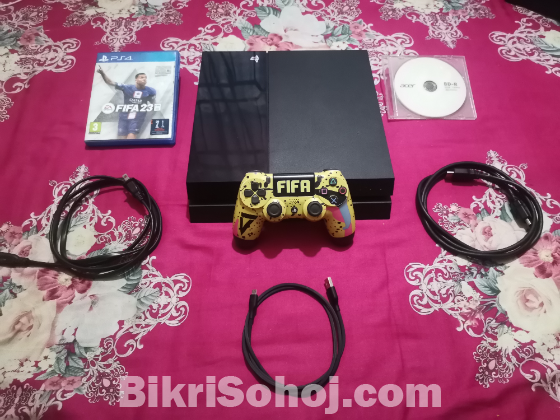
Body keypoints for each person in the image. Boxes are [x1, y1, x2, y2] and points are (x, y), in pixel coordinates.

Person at [97, 67, 156, 139]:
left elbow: (154, 104)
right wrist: (102, 73)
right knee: (122, 140)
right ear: (136, 79)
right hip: (124, 116)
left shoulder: (150, 91)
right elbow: (111, 82)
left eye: (145, 78)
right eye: (142, 77)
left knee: (130, 138)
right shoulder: (127, 87)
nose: (144, 79)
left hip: (137, 118)